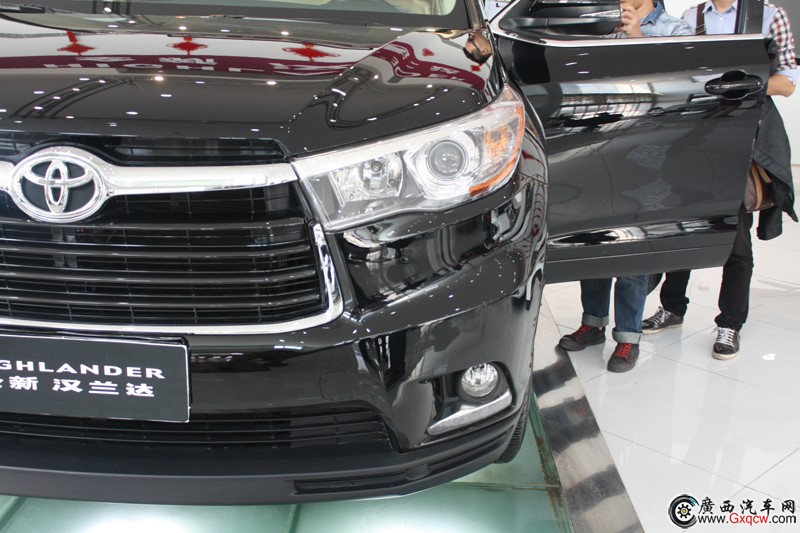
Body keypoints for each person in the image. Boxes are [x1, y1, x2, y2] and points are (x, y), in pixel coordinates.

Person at [641, 0, 798, 360]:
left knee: (736, 239)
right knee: (684, 230)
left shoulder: (769, 14)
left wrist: (733, 86)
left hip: (742, 141)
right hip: (695, 142)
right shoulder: (691, 18)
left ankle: (730, 323)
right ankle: (673, 308)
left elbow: (788, 83)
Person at [557, 1, 691, 374]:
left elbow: (679, 86)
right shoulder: (600, 26)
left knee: (633, 248)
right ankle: (592, 323)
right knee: (594, 241)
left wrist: (636, 38)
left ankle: (628, 337)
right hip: (599, 147)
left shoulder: (674, 30)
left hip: (649, 152)